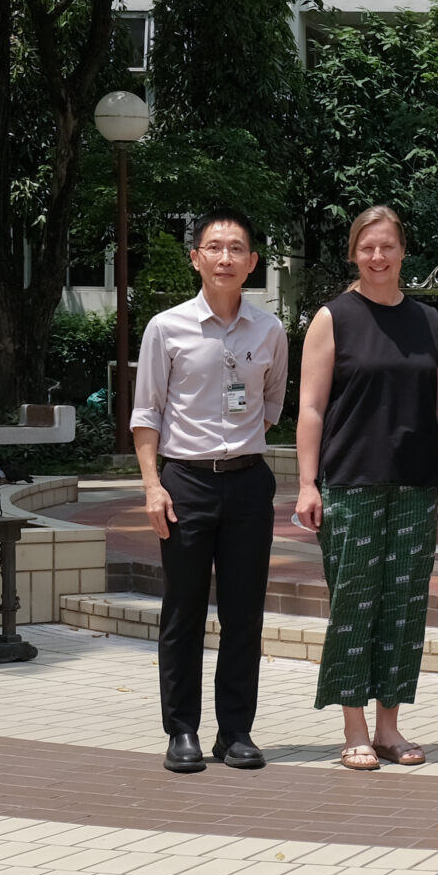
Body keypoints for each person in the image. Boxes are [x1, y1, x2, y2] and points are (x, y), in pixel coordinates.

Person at [296, 205, 438, 771]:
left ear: (403, 251)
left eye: (388, 246)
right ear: (353, 253)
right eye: (367, 247)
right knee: (353, 606)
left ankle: (390, 726)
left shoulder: (426, 320)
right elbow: (311, 407)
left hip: (416, 484)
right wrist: (307, 484)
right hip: (350, 482)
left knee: (404, 608)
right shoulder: (333, 317)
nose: (378, 256)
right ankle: (354, 727)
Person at [132, 209, 288, 774]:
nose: (225, 258)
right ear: (196, 258)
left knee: (244, 613)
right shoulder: (166, 327)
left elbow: (271, 403)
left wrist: (236, 446)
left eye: (236, 248)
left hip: (248, 482)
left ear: (252, 261)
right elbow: (146, 412)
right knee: (184, 610)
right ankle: (182, 730)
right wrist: (153, 486)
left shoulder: (270, 330)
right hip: (185, 484)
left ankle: (236, 732)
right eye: (214, 247)